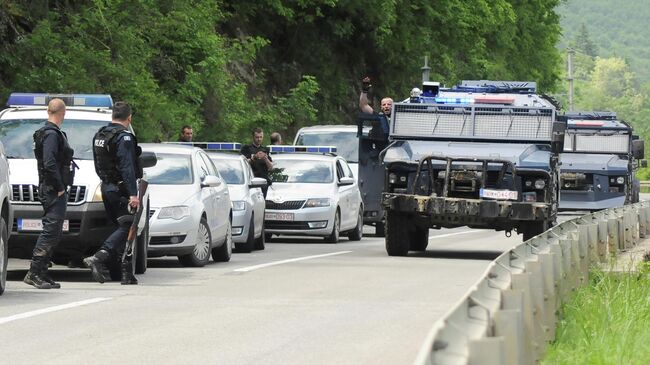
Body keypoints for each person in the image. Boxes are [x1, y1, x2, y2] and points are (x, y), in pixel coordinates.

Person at [84, 102, 142, 285]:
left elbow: (97, 163)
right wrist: (133, 194)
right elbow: (127, 167)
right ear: (129, 117)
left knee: (118, 228)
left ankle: (123, 273)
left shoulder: (100, 134)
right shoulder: (123, 138)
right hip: (120, 189)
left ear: (113, 116)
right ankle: (99, 257)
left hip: (107, 187)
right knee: (128, 226)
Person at [24, 98, 75, 289]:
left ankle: (43, 272)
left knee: (53, 233)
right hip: (53, 189)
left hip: (49, 187)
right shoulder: (52, 134)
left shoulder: (47, 132)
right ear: (63, 113)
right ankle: (34, 272)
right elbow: (50, 162)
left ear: (48, 111)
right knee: (50, 232)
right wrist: (60, 186)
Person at [240, 128, 273, 197]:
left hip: (263, 182)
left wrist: (266, 159)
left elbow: (271, 167)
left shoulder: (265, 150)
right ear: (253, 137)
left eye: (261, 137)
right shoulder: (246, 148)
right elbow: (243, 165)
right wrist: (254, 157)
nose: (259, 139)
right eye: (257, 137)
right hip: (251, 181)